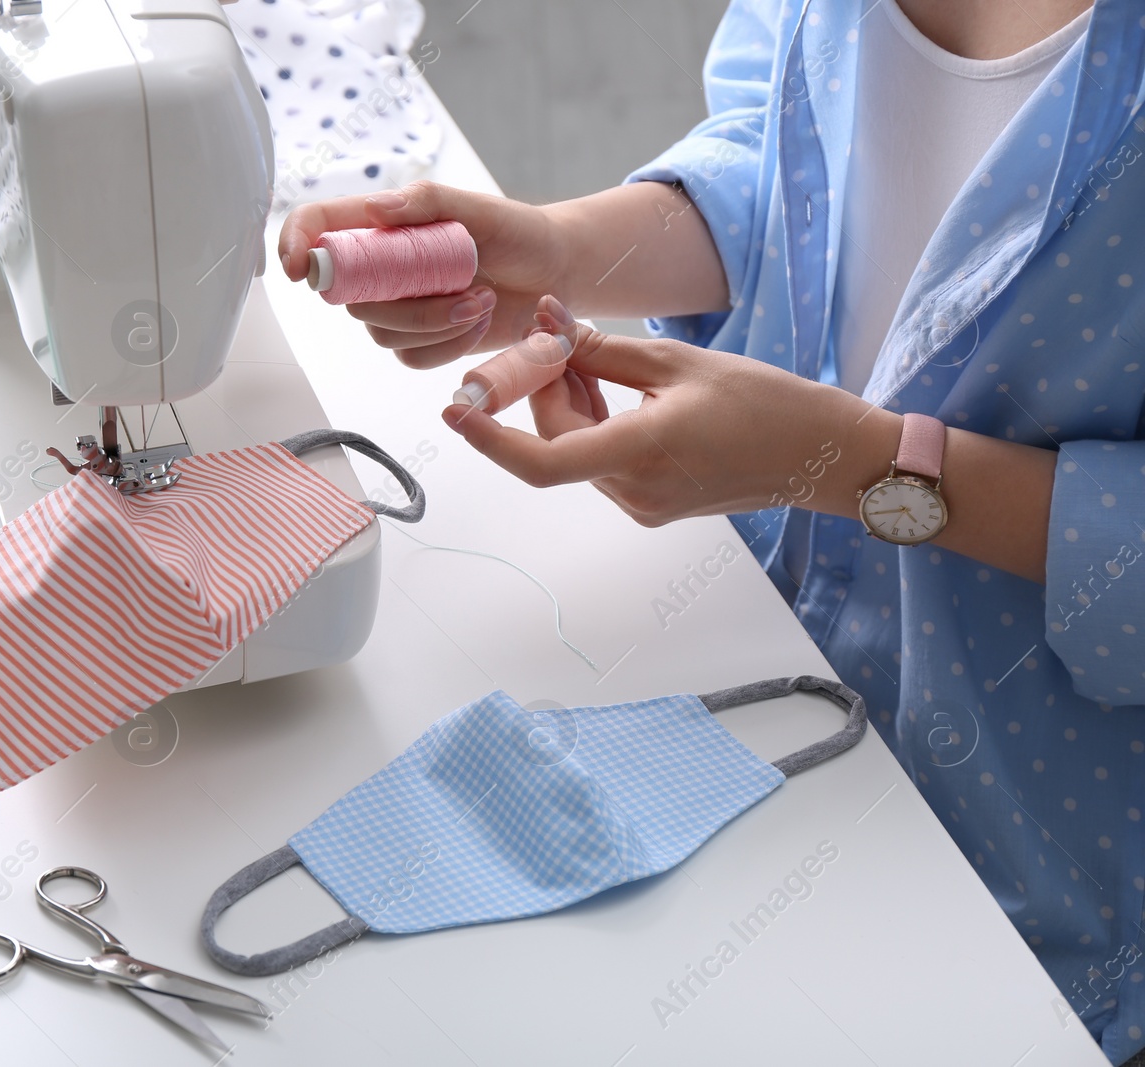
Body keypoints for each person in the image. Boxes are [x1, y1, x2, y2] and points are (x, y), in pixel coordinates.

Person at [278, 0, 1145, 1061]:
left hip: (1030, 870)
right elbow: (787, 166)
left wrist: (851, 466)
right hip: (770, 686)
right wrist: (562, 249)